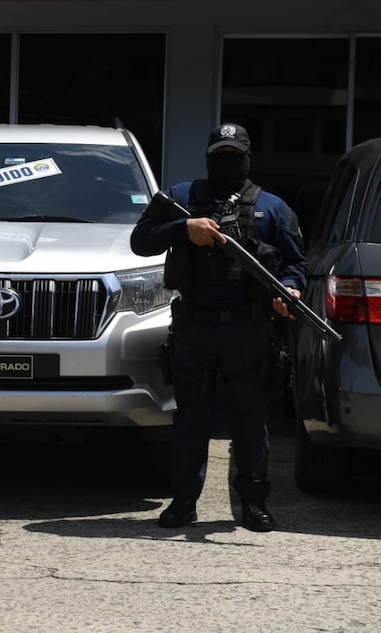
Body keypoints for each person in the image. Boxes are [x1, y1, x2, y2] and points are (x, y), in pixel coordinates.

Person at [130, 123, 307, 532]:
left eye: (234, 155)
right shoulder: (180, 198)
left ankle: (253, 504)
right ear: (209, 156)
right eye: (220, 154)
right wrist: (183, 228)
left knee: (249, 420)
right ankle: (184, 502)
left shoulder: (273, 208)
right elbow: (141, 240)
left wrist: (291, 291)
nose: (227, 161)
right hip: (194, 329)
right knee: (191, 420)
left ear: (248, 158)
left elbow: (297, 263)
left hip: (248, 330)